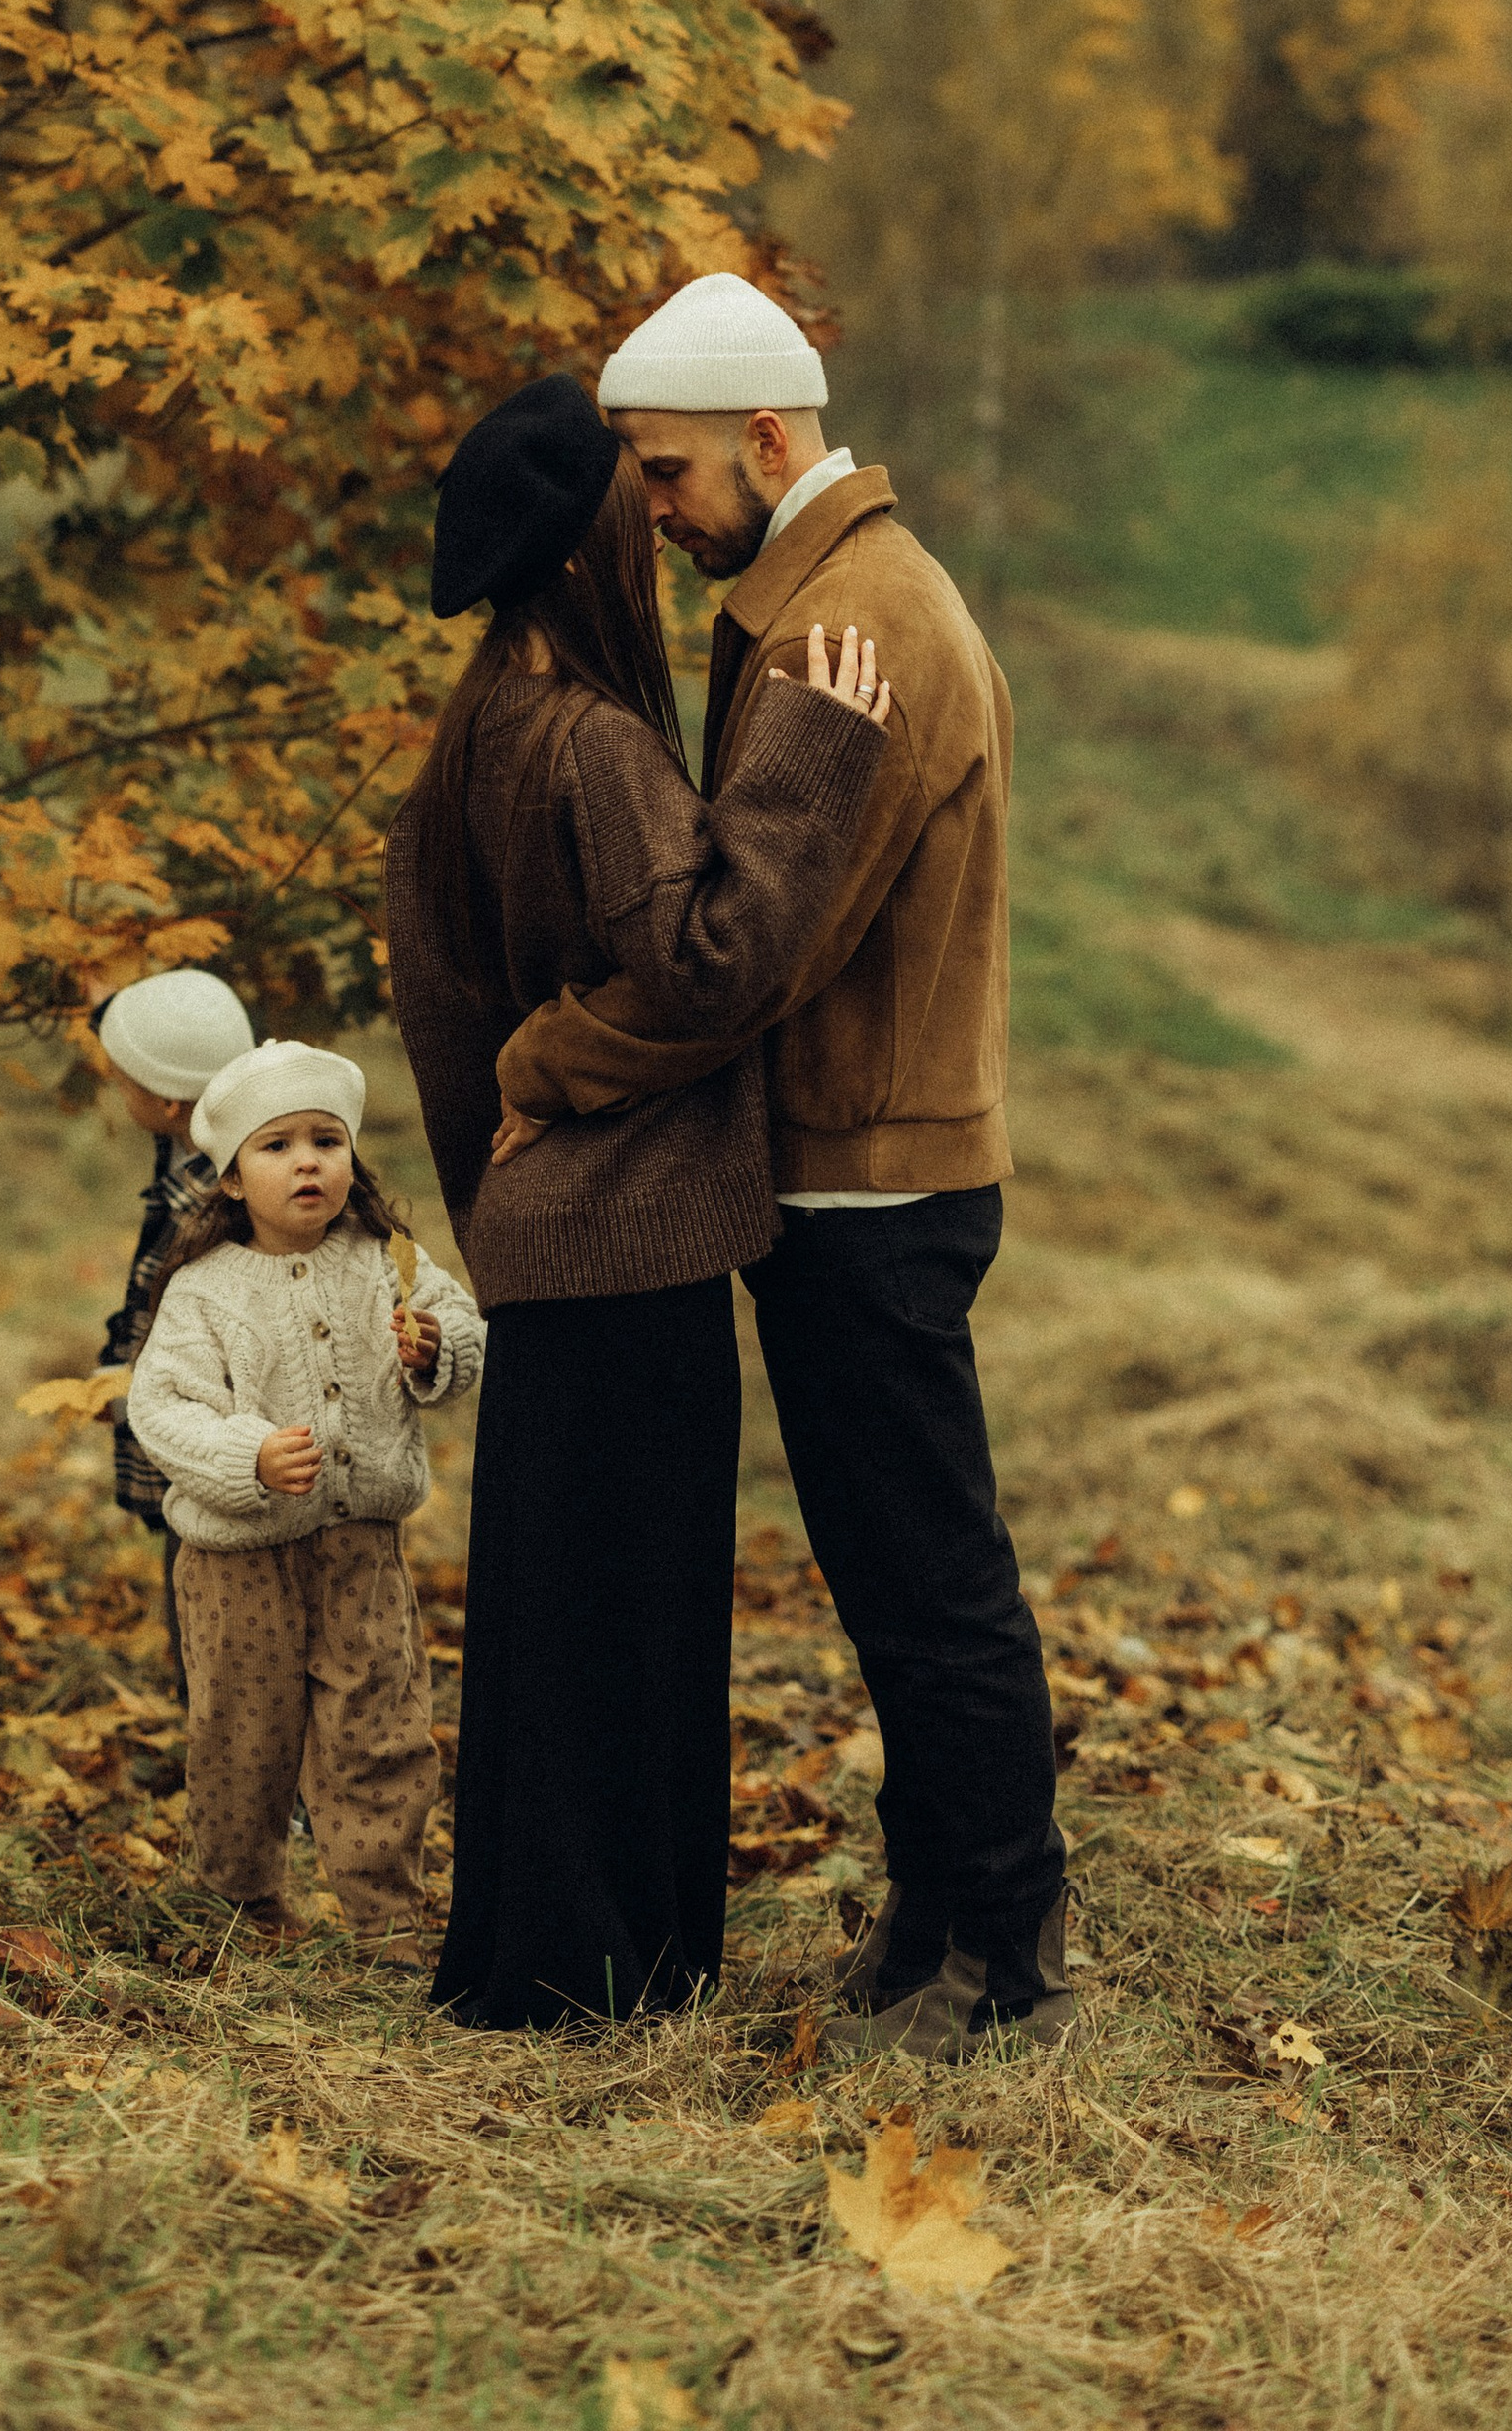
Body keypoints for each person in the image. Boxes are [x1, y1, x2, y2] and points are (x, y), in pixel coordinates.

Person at [491, 273, 1073, 2061]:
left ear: (767, 436)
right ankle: (934, 1913)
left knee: (930, 1574)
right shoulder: (810, 598)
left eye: (665, 472)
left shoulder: (867, 627)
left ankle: (1009, 1944)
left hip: (875, 1184)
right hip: (843, 1169)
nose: (648, 512)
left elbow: (741, 954)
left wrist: (551, 1064)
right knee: (889, 1567)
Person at [382, 371, 892, 2030]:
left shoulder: (483, 723)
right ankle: (596, 1970)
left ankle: (552, 1950)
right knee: (629, 1609)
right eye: (636, 505)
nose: (660, 527)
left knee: (560, 1603)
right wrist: (814, 753)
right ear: (594, 547)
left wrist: (503, 1142)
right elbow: (708, 957)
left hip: (551, 1239)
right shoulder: (590, 741)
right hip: (628, 1239)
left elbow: (452, 999)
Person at [126, 1039, 483, 1959]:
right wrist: (249, 1458)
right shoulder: (205, 1290)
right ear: (236, 1178)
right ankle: (239, 1900)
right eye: (276, 1146)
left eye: (326, 1140)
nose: (307, 1161)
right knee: (246, 1731)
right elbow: (161, 1407)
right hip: (238, 1562)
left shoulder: (386, 1262)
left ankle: (389, 1912)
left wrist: (435, 1350)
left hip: (362, 1549)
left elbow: (470, 1331)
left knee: (380, 1724)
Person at [92, 965, 257, 1544]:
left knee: (199, 1598)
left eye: (122, 1081)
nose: (117, 1087)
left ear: (165, 1101)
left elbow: (178, 1339)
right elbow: (174, 1051)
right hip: (184, 1442)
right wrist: (106, 1008)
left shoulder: (214, 1208)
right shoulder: (201, 1138)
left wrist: (123, 1393)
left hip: (204, 1458)